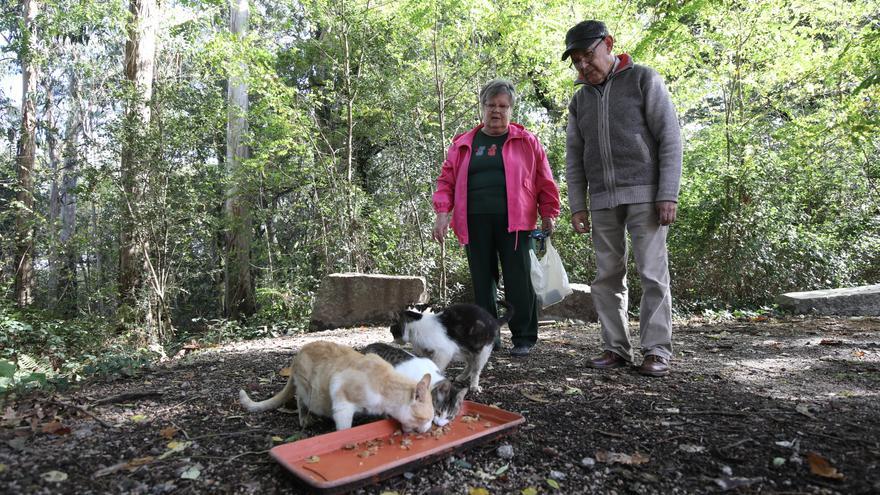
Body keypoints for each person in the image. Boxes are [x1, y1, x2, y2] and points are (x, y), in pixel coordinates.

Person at [562, 20, 682, 377]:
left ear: (609, 44)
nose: (583, 65)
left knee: (652, 274)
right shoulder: (580, 99)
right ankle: (615, 348)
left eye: (588, 55)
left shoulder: (644, 79)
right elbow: (574, 155)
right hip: (601, 200)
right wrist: (577, 205)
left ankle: (657, 350)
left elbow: (671, 139)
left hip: (646, 195)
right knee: (607, 277)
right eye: (576, 60)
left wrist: (667, 193)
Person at [432, 79, 561, 357]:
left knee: (519, 280)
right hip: (474, 220)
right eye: (491, 105)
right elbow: (447, 181)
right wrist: (443, 213)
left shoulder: (527, 141)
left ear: (511, 109)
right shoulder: (464, 143)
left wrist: (549, 212)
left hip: (516, 222)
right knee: (482, 281)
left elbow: (544, 179)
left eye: (503, 106)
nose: (497, 111)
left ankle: (524, 337)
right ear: (482, 107)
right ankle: (488, 338)